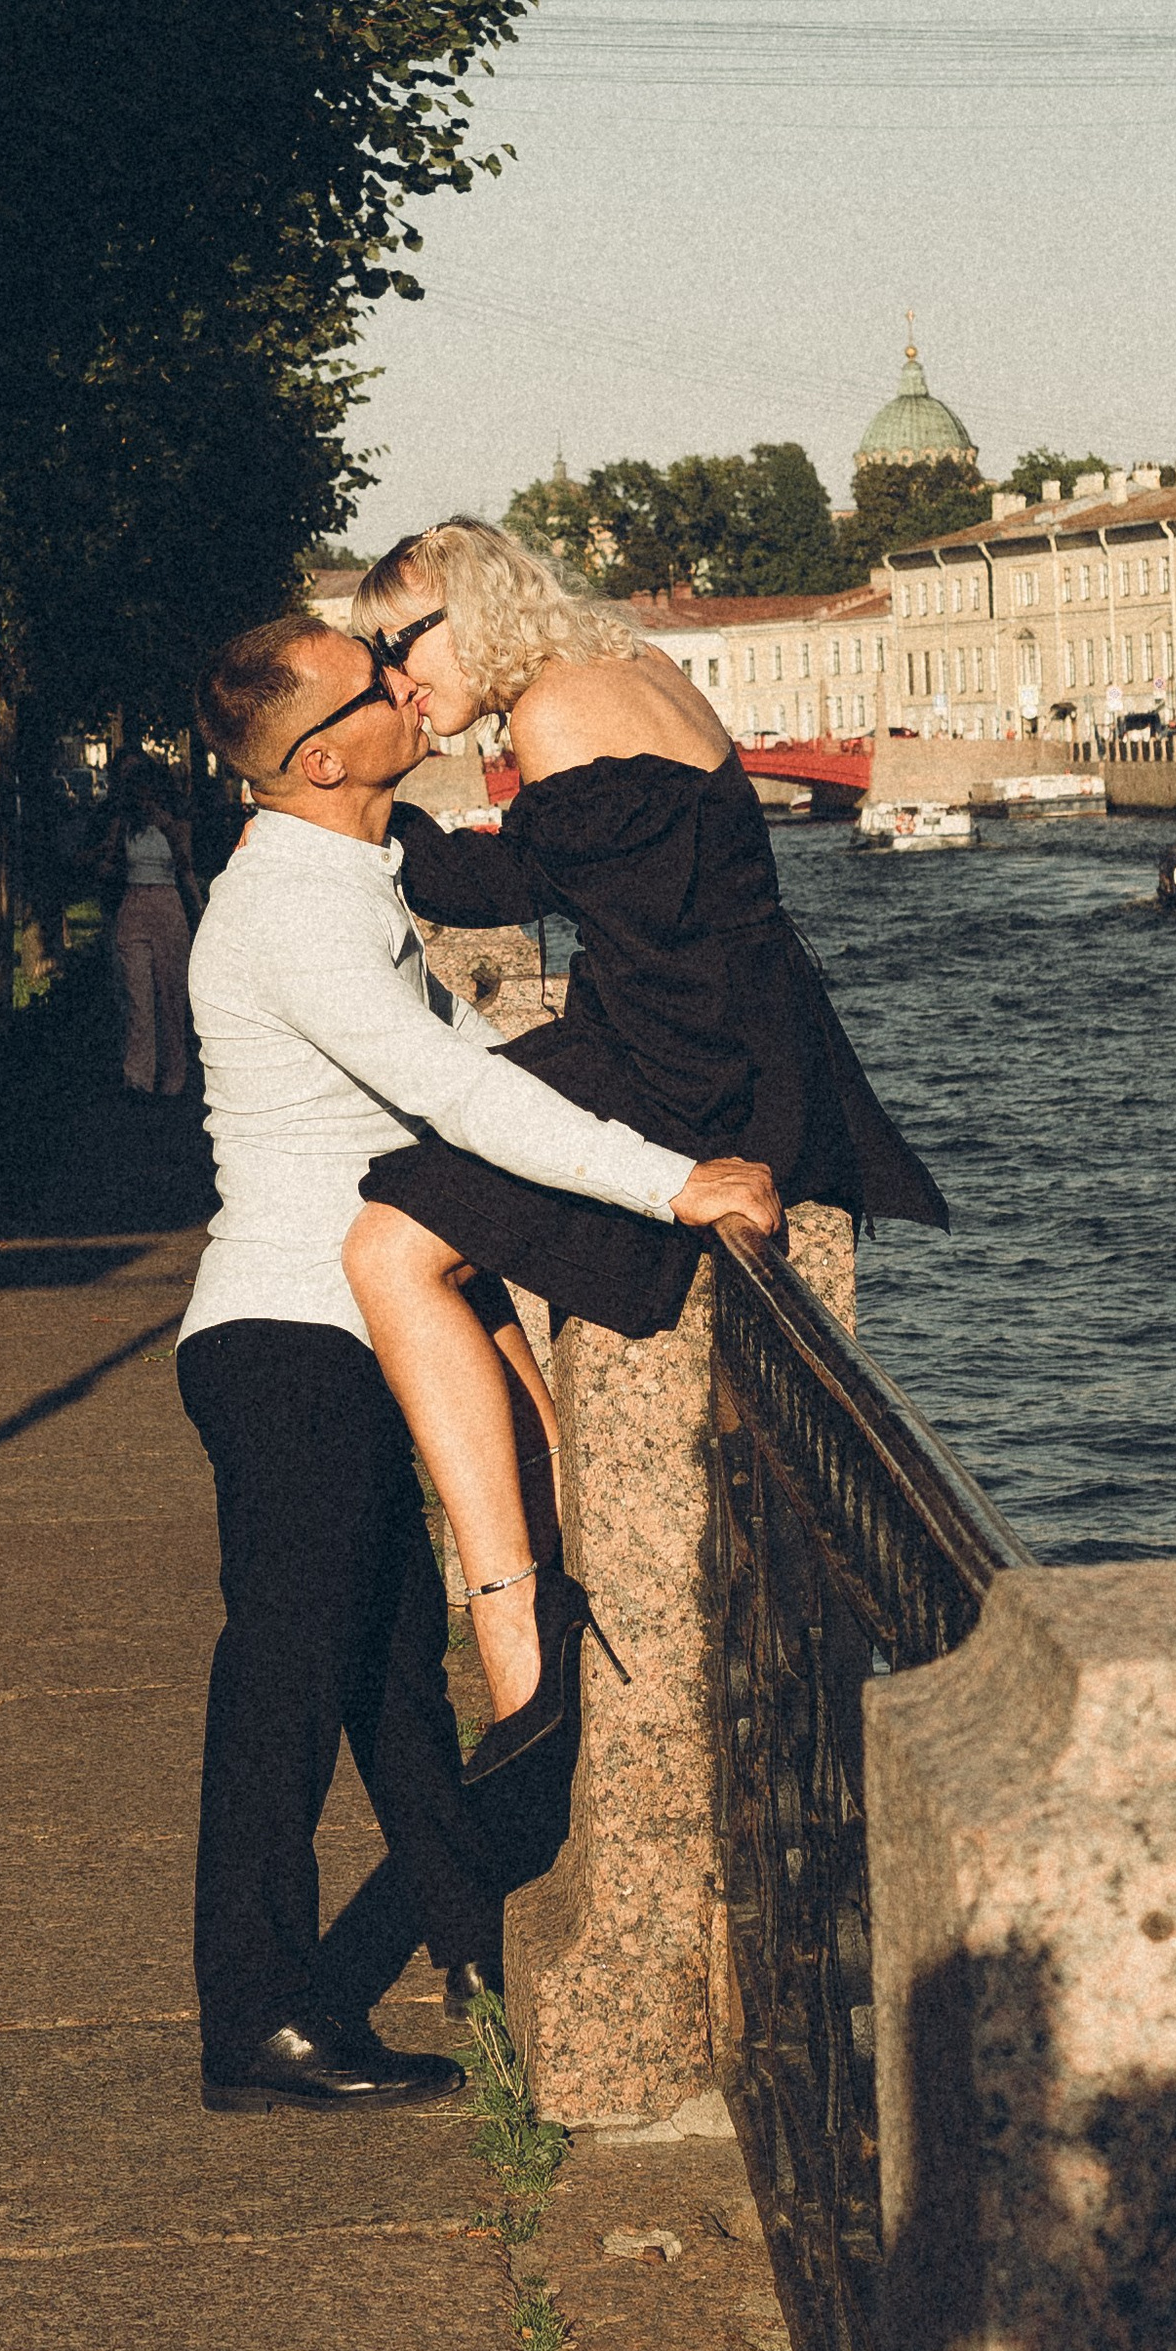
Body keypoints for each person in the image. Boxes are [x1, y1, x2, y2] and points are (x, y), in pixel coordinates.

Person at [178, 611, 780, 2113]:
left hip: (329, 1334)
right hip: (286, 1339)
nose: (405, 686)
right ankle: (255, 2020)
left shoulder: (347, 879)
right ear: (325, 759)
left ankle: (470, 1945)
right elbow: (458, 1097)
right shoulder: (291, 909)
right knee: (285, 1680)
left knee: (389, 1678)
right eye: (371, 684)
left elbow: (492, 1069)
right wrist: (672, 1182)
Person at [338, 520, 947, 1776]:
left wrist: (353, 803)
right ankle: (553, 1537)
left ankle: (522, 1626)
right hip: (738, 1033)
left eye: (397, 650)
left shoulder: (556, 709)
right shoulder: (631, 667)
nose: (396, 683)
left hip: (690, 1062)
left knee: (394, 1243)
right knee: (439, 1207)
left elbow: (495, 894)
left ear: (465, 614)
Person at [95, 754, 198, 1101]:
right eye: (138, 792)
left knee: (171, 996)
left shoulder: (176, 822)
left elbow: (185, 866)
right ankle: (138, 1076)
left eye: (149, 791)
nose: (145, 799)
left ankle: (174, 1076)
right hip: (134, 903)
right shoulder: (124, 824)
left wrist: (199, 908)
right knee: (138, 997)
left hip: (168, 905)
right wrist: (103, 865)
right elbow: (110, 862)